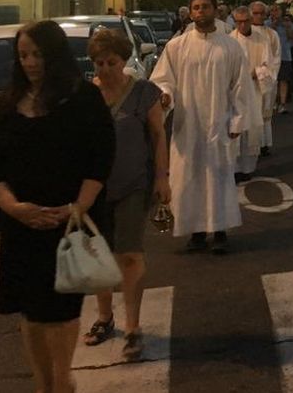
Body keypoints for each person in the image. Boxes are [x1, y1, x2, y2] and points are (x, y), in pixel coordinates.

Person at [0, 20, 115, 393]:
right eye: (23, 55)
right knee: (31, 312)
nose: (30, 62)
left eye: (38, 54)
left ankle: (61, 379)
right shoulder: (6, 106)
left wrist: (76, 207)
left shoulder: (82, 98)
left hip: (66, 221)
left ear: (54, 54)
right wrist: (13, 208)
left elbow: (100, 158)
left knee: (60, 310)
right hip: (21, 224)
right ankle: (43, 383)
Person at [82, 29, 170, 359]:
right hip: (94, 189)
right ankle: (104, 317)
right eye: (99, 63)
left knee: (130, 254)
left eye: (112, 62)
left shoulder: (143, 92)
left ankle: (132, 327)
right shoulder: (87, 96)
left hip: (134, 183)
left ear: (124, 61)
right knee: (97, 255)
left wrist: (163, 177)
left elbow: (158, 136)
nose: (105, 69)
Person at [150, 0, 252, 254]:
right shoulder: (177, 46)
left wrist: (238, 120)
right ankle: (195, 233)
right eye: (196, 8)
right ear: (190, 13)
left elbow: (240, 86)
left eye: (205, 7)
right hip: (189, 124)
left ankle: (219, 232)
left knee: (218, 177)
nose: (200, 12)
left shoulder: (230, 47)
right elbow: (164, 78)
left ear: (215, 11)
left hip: (219, 121)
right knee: (189, 178)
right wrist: (165, 94)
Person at [230, 6, 269, 182]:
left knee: (251, 127)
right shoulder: (229, 40)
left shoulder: (262, 40)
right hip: (234, 92)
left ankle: (248, 167)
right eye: (239, 21)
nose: (243, 25)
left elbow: (269, 64)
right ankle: (234, 167)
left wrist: (257, 72)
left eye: (246, 21)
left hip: (254, 90)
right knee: (236, 127)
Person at [250, 1, 280, 156]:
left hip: (265, 79)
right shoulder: (239, 34)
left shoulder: (271, 34)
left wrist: (261, 73)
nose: (259, 16)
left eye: (262, 13)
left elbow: (276, 58)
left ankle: (264, 144)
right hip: (246, 80)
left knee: (264, 111)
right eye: (255, 13)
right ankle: (250, 146)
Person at [266, 3, 292, 114]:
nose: (275, 12)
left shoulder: (286, 22)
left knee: (283, 79)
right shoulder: (266, 23)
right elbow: (267, 33)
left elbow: (292, 36)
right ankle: (273, 102)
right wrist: (276, 22)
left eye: (277, 10)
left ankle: (282, 103)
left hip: (285, 54)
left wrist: (287, 27)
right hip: (271, 56)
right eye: (272, 10)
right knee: (272, 80)